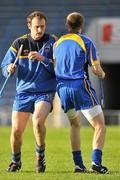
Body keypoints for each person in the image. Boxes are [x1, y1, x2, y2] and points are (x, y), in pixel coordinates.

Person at [1, 11, 57, 173]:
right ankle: (15, 161)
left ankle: (40, 157)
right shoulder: (19, 43)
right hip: (23, 93)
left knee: (38, 122)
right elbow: (5, 67)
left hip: (45, 91)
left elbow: (60, 68)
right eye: (36, 27)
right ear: (29, 26)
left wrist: (43, 59)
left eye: (43, 26)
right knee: (17, 130)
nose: (40, 30)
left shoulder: (53, 41)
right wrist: (9, 69)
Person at [53, 12, 108, 174]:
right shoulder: (86, 41)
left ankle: (78, 164)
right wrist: (103, 74)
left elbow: (56, 65)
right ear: (81, 26)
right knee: (99, 125)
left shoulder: (58, 43)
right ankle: (96, 164)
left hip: (62, 89)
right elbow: (96, 69)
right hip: (79, 87)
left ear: (67, 25)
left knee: (74, 125)